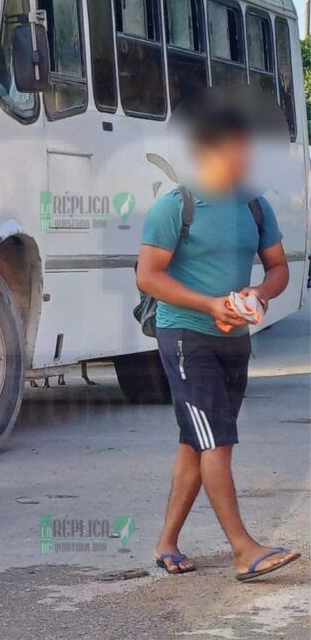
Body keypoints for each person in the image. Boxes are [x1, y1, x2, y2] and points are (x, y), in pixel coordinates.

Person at [137, 100, 301, 581]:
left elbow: (279, 268)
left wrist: (260, 294)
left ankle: (166, 544)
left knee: (197, 439)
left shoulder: (255, 204)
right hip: (187, 335)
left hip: (236, 338)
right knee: (218, 441)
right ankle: (243, 549)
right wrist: (209, 305)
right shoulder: (176, 206)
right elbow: (148, 276)